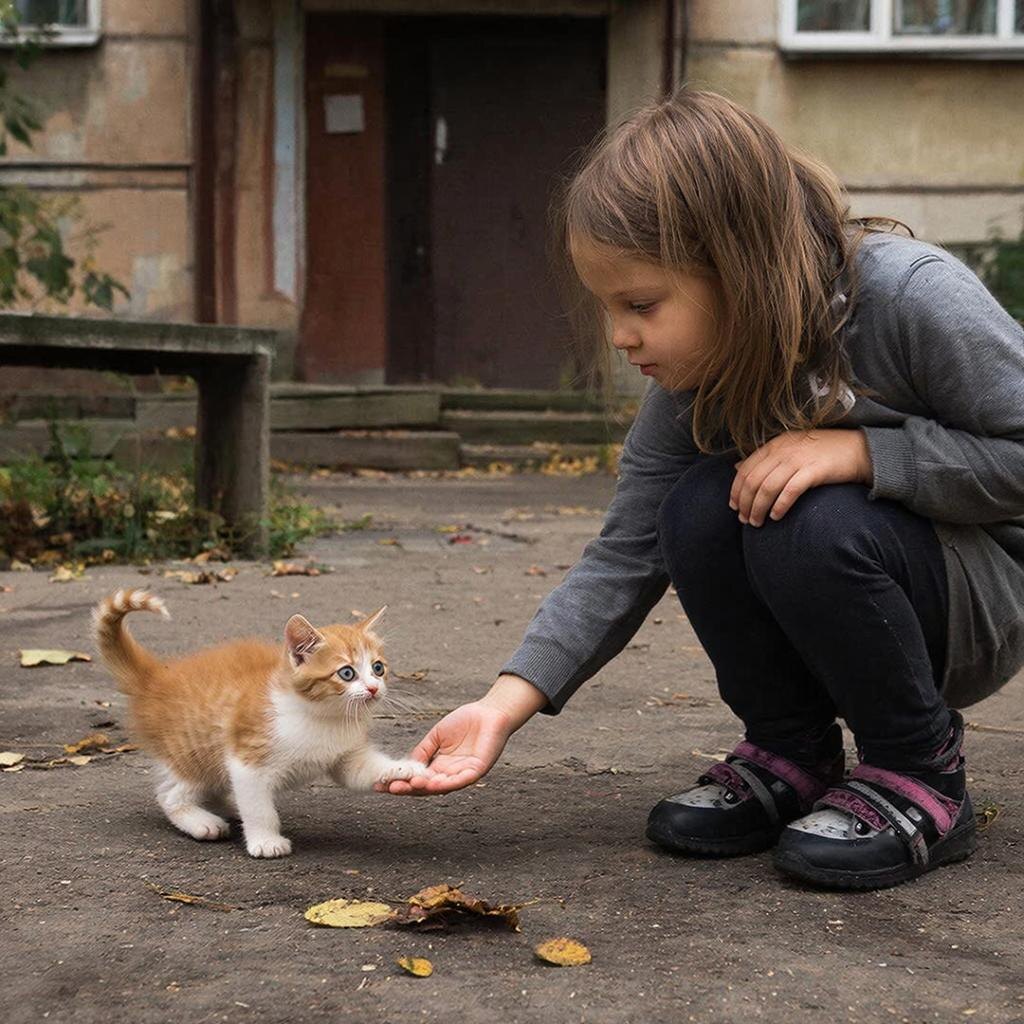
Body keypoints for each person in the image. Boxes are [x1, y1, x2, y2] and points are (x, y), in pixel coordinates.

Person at [378, 89, 1024, 891]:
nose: (620, 336)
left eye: (641, 304)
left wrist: (867, 452)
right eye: (608, 307)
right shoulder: (697, 375)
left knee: (808, 516)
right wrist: (501, 706)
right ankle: (792, 752)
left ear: (738, 265)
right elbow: (626, 551)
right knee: (694, 508)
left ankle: (919, 768)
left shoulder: (911, 295)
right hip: (848, 598)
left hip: (971, 603)